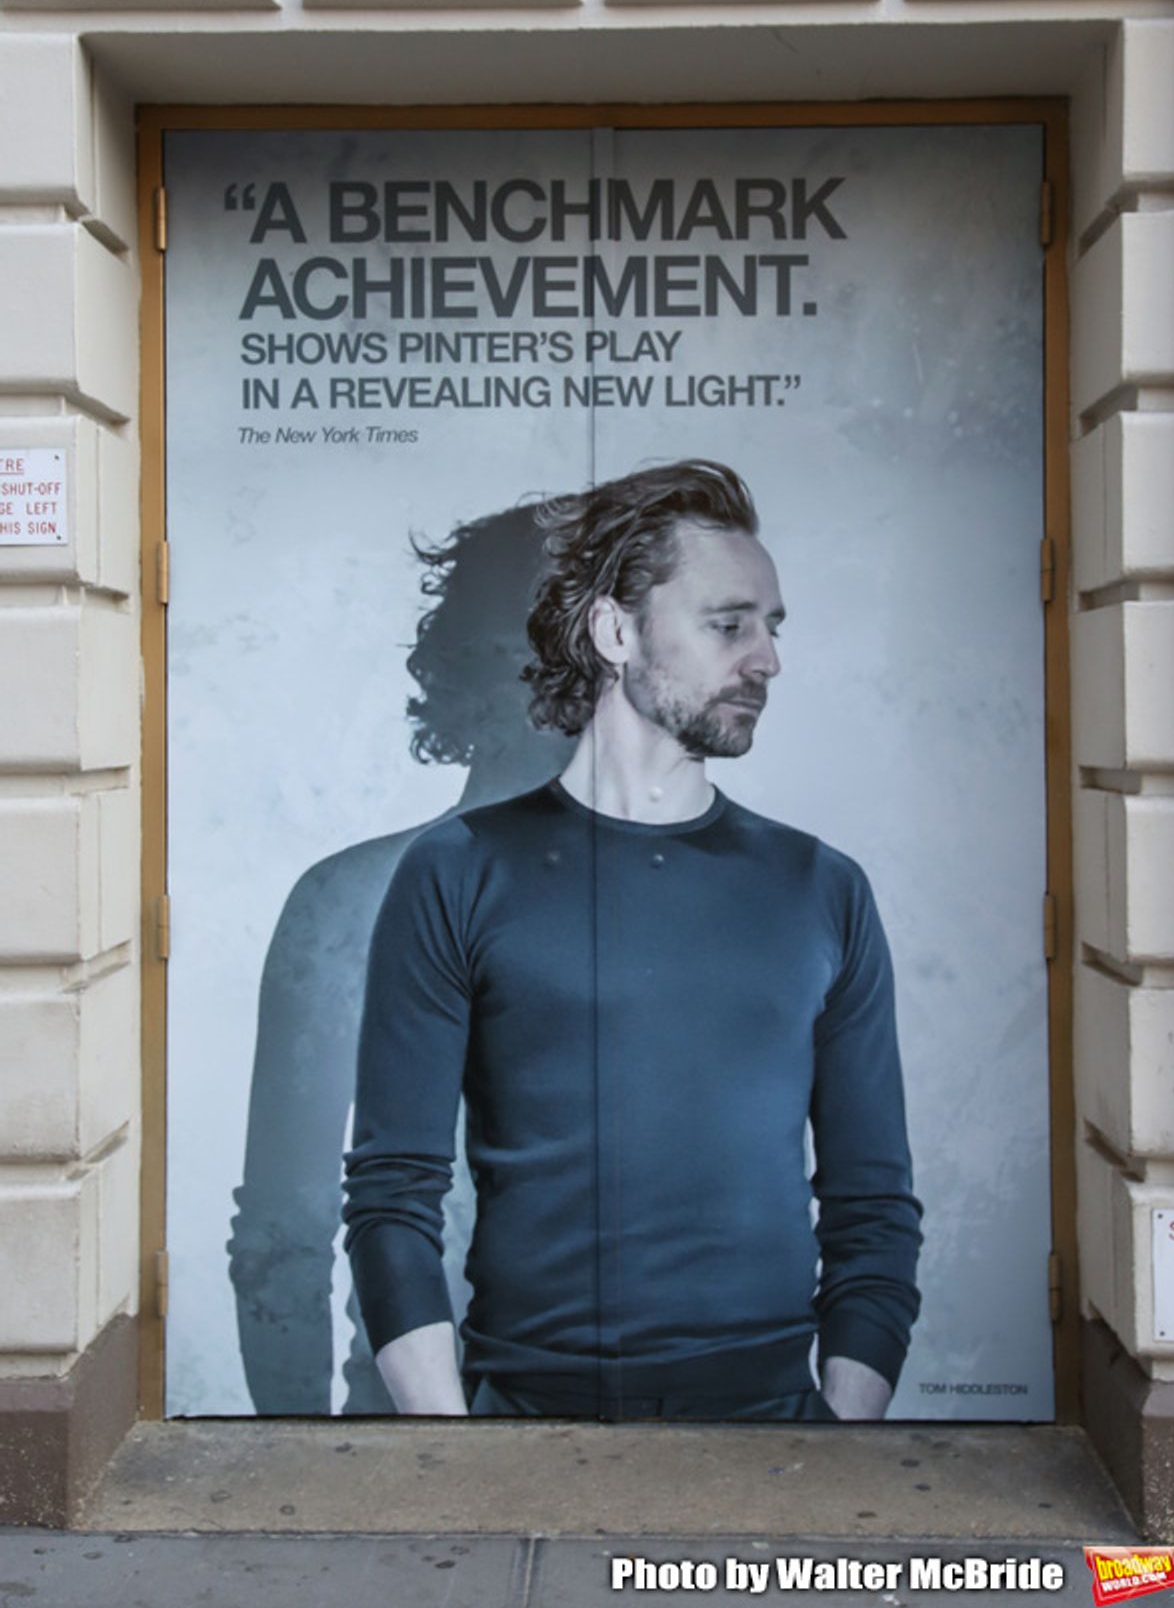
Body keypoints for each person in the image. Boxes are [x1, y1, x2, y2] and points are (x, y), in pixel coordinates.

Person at [344, 458, 921, 1422]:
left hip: (777, 1430)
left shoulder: (821, 889)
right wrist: (449, 1453)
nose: (767, 660)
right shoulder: (458, 872)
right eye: (728, 624)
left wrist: (842, 1433)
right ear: (616, 631)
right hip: (523, 1423)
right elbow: (391, 1197)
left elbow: (873, 1208)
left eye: (771, 629)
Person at [227, 505, 570, 1413]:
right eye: (533, 647)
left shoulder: (713, 894)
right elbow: (280, 1232)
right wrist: (298, 1464)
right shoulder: (350, 902)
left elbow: (280, 1234)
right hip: (412, 1430)